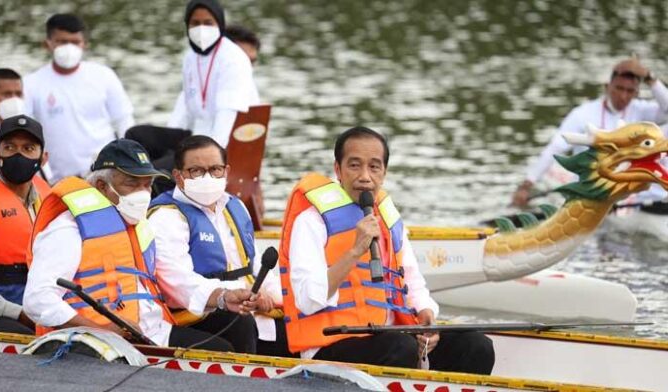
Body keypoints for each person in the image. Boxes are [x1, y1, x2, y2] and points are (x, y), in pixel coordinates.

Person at [279, 126, 495, 373]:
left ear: (384, 172)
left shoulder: (388, 218)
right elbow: (307, 300)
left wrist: (426, 317)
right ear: (338, 169)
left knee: (476, 345)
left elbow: (413, 282)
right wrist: (354, 251)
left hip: (391, 338)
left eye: (374, 167)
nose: (364, 177)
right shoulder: (311, 221)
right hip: (330, 344)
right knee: (400, 348)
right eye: (354, 165)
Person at [23, 139, 255, 350]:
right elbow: (37, 299)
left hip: (152, 333)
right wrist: (97, 330)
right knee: (219, 351)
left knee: (235, 329)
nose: (143, 193)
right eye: (131, 183)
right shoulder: (68, 229)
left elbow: (174, 279)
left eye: (147, 184)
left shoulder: (137, 225)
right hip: (98, 344)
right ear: (102, 186)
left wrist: (223, 296)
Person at [148, 135, 292, 356]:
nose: (207, 176)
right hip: (199, 314)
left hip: (248, 308)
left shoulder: (236, 207)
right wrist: (225, 296)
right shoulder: (166, 217)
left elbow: (253, 266)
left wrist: (276, 298)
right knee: (238, 322)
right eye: (196, 171)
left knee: (297, 325)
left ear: (226, 171)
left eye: (215, 169)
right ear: (178, 176)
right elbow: (176, 281)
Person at [512, 57, 668, 207]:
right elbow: (555, 148)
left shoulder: (641, 110)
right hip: (591, 190)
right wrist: (526, 186)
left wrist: (650, 78)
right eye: (619, 88)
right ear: (607, 87)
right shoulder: (582, 114)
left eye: (629, 91)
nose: (623, 96)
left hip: (628, 192)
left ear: (636, 93)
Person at [24, 13, 135, 182]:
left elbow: (124, 121)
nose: (69, 47)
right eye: (62, 42)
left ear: (85, 45)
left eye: (75, 42)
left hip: (105, 173)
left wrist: (130, 164)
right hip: (57, 179)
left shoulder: (104, 75)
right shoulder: (31, 83)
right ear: (47, 44)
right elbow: (24, 133)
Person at [0, 115, 50, 334]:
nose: (18, 155)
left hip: (36, 305)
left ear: (43, 159)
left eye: (28, 148)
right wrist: (18, 314)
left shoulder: (46, 197)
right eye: (10, 147)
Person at [167, 0, 259, 148]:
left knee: (160, 165)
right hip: (197, 137)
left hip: (218, 149)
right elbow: (184, 111)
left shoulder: (233, 60)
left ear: (220, 25)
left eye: (208, 23)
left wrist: (207, 161)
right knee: (138, 134)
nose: (201, 29)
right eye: (195, 23)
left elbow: (224, 125)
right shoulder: (190, 57)